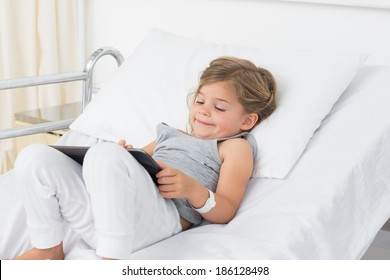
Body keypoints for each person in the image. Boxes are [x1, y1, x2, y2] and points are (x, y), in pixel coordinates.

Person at [13, 56, 277, 260]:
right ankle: (48, 248)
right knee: (35, 157)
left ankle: (112, 261)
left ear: (247, 120)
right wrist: (123, 157)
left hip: (162, 218)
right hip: (107, 217)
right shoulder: (169, 134)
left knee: (107, 154)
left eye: (219, 107)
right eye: (199, 101)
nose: (204, 111)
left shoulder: (233, 147)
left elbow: (227, 209)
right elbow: (131, 166)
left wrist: (192, 189)